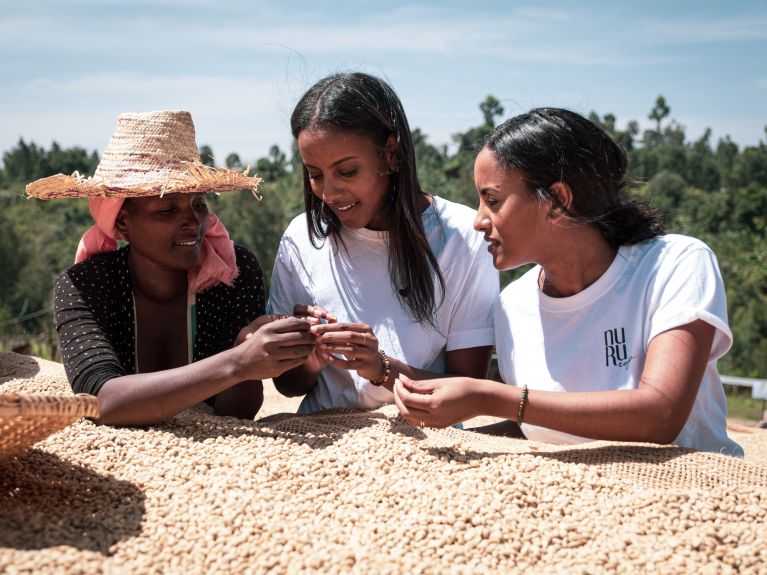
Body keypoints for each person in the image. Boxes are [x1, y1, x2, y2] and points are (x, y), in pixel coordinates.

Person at [394, 107, 743, 456]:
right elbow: (538, 422)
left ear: (558, 201)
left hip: (689, 494)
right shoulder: (512, 306)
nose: (479, 221)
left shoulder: (674, 264)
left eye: (493, 200)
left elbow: (661, 414)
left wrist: (488, 397)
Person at [26, 110, 315, 426]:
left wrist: (245, 348)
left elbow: (236, 414)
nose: (192, 221)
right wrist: (237, 362)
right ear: (123, 221)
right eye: (167, 209)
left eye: (199, 205)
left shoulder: (233, 273)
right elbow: (99, 402)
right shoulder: (85, 284)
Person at [267, 72, 499, 413]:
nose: (329, 193)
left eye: (346, 172)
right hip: (320, 440)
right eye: (315, 175)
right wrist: (310, 359)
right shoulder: (302, 238)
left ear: (390, 152)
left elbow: (468, 393)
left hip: (424, 444)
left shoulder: (463, 238)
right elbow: (287, 386)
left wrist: (381, 369)